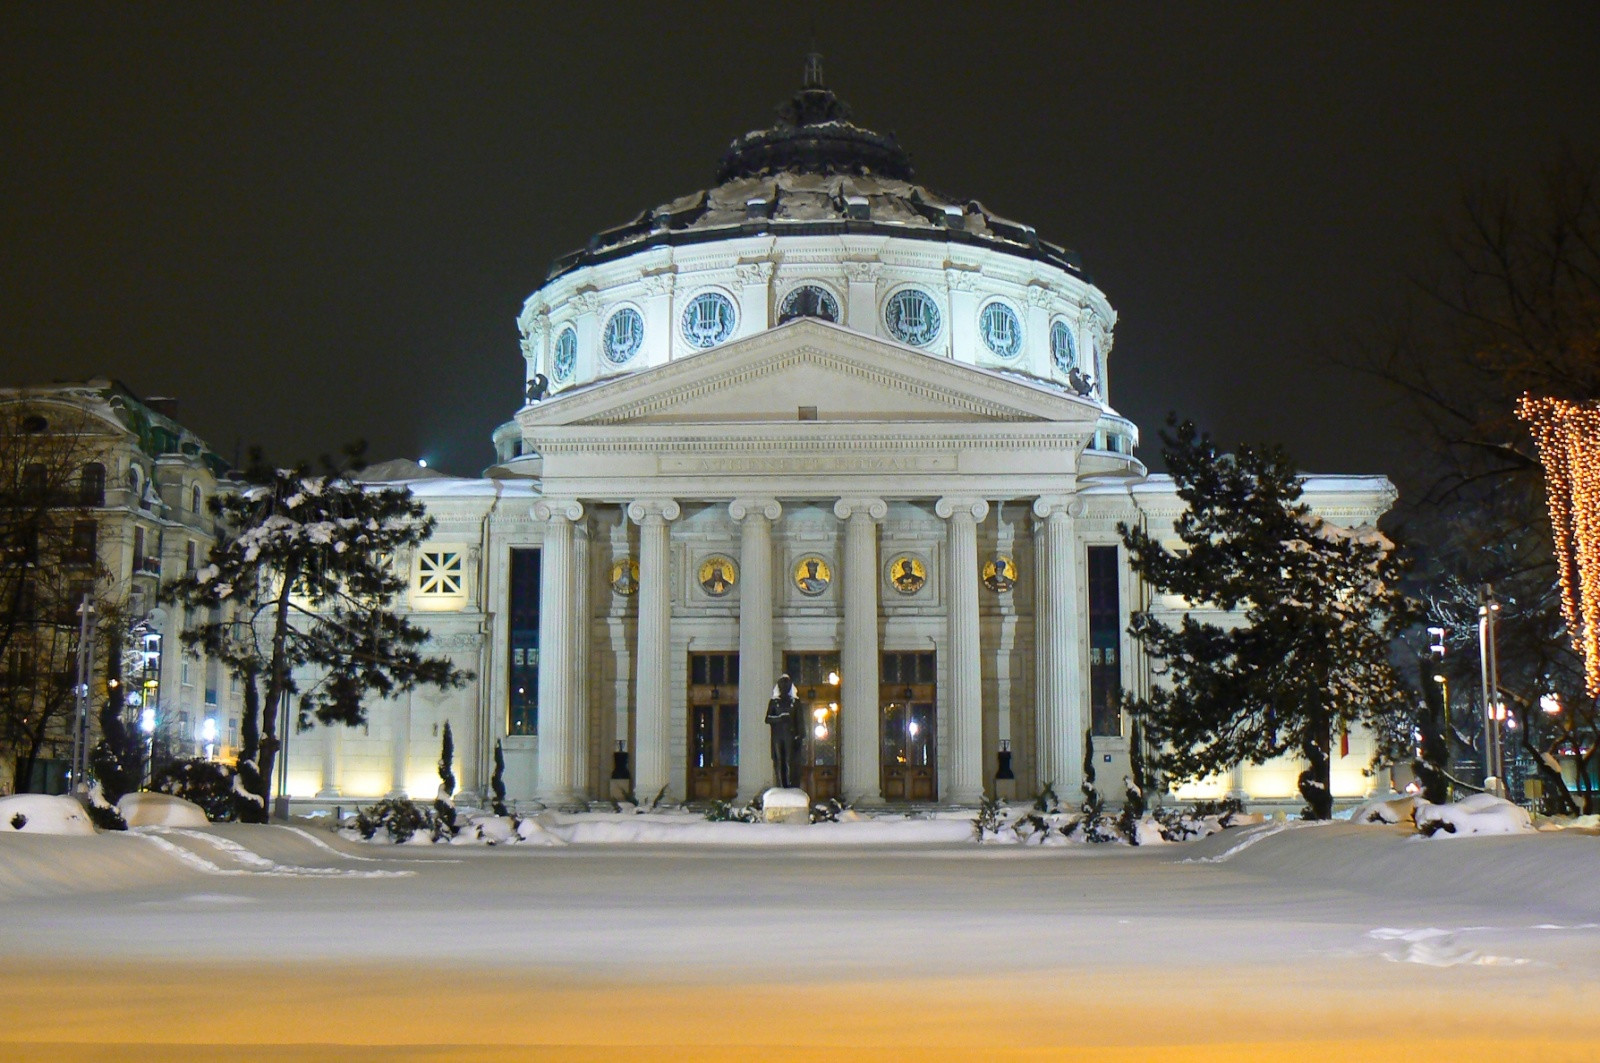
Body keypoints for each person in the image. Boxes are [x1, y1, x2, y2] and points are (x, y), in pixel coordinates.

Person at [766, 673, 803, 789]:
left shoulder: (795, 703)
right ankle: (781, 785)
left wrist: (799, 735)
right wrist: (780, 718)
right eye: (782, 685)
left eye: (787, 686)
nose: (784, 688)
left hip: (790, 735)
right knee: (779, 760)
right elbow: (767, 718)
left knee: (789, 760)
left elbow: (800, 721)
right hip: (778, 736)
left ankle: (790, 785)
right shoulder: (774, 702)